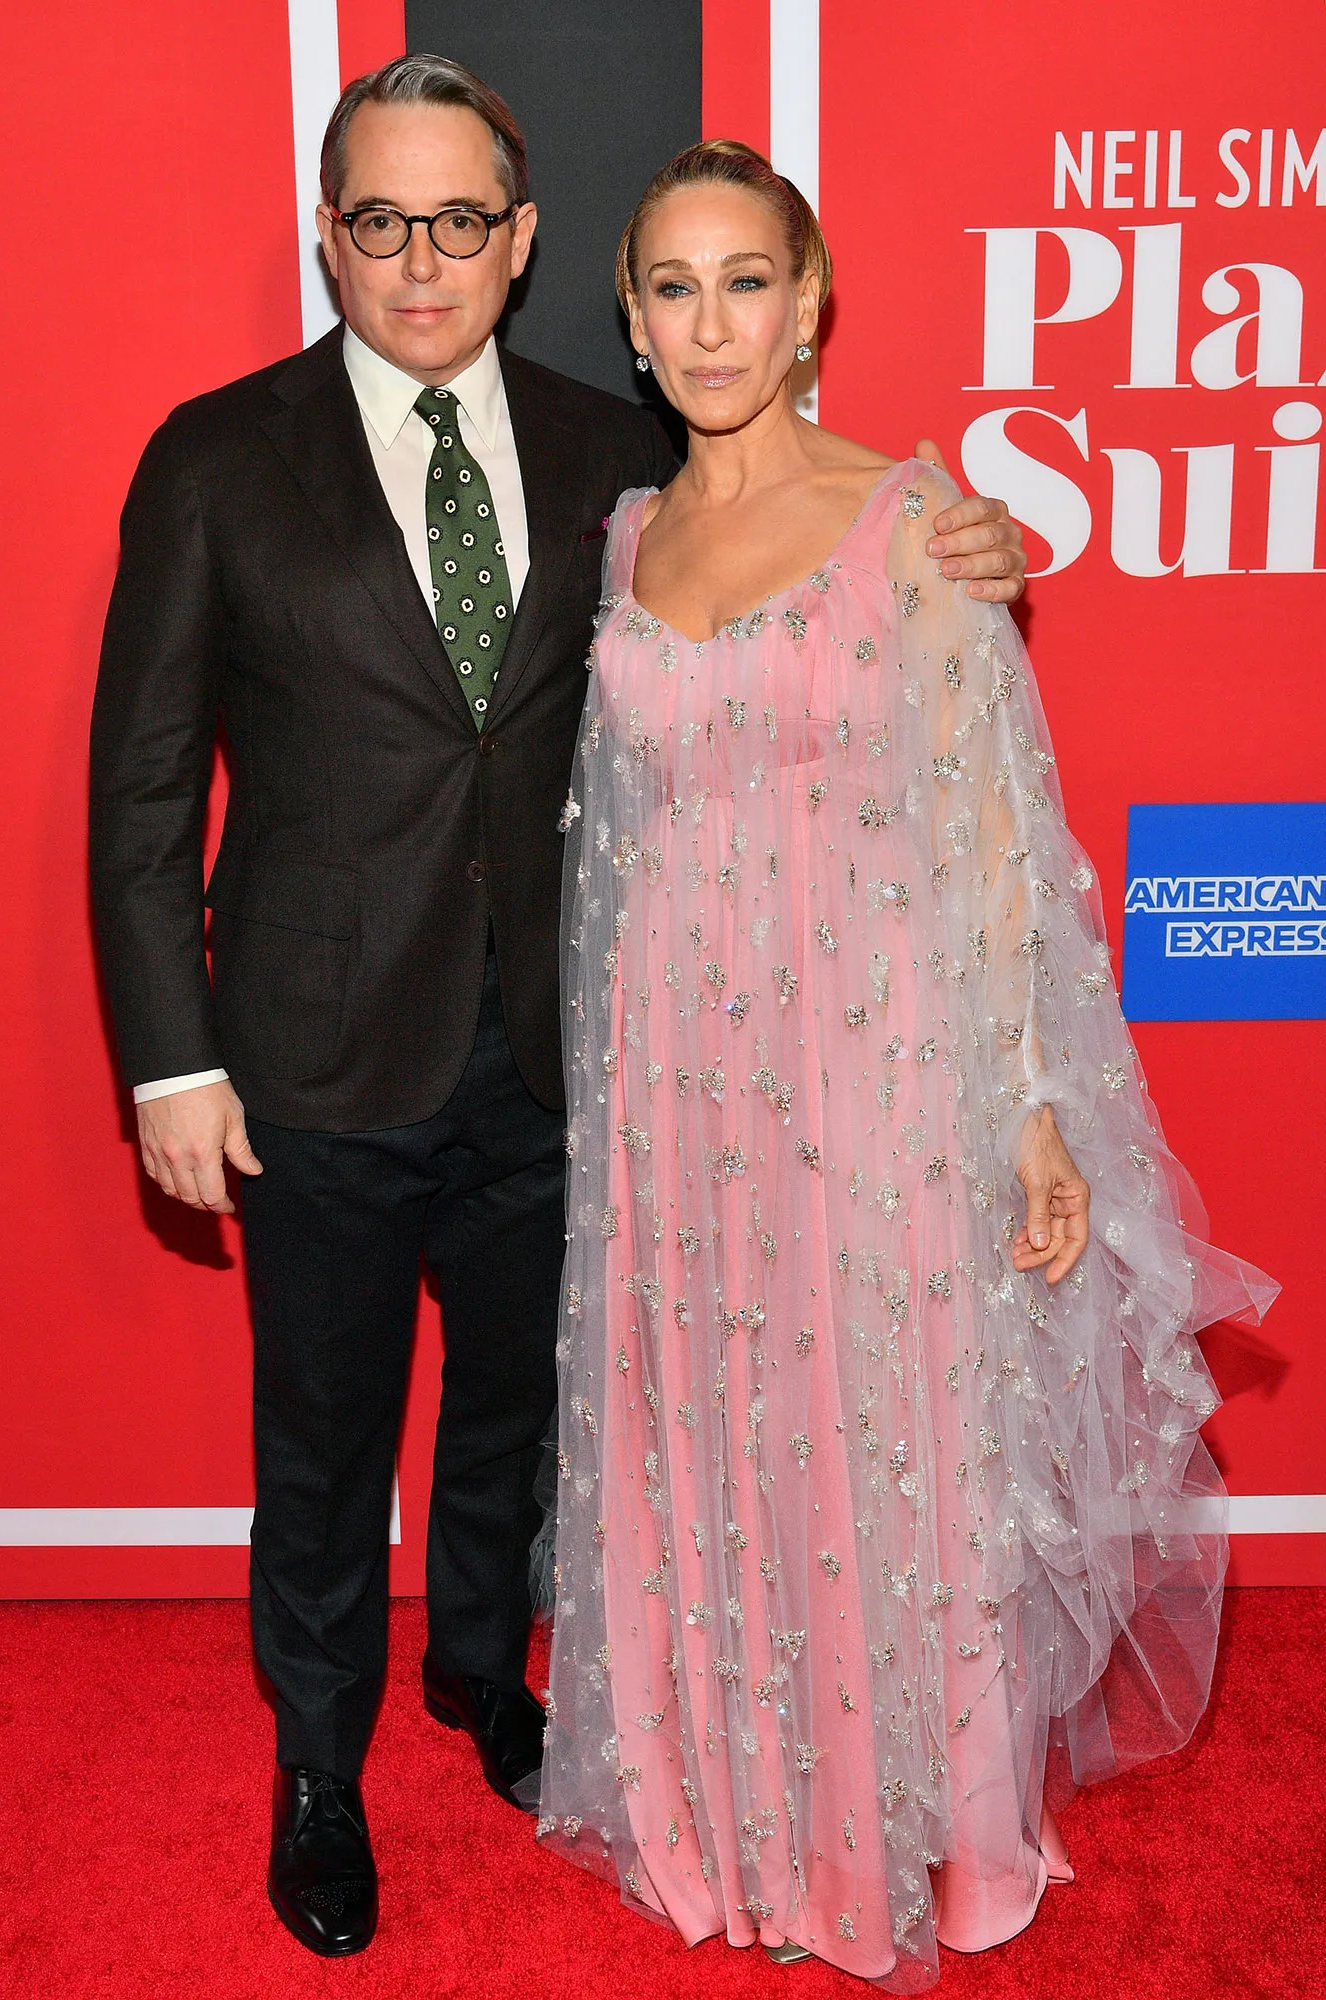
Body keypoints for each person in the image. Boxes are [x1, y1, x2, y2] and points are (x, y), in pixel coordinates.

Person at [88, 59, 1028, 1959]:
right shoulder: (215, 456)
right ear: (329, 233)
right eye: (381, 218)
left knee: (522, 1419)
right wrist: (170, 1059)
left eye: (460, 219)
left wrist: (975, 540)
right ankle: (319, 1769)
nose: (420, 258)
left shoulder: (620, 455)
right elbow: (144, 784)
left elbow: (811, 575)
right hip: (316, 1054)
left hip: (569, 1055)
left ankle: (484, 1679)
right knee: (324, 1442)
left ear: (520, 243)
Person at [538, 140, 1277, 1985]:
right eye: (675, 287)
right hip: (675, 1080)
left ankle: (890, 1823)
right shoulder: (627, 535)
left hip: (868, 1067)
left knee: (880, 1434)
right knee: (711, 1421)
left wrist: (1030, 1109)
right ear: (632, 317)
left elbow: (997, 832)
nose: (714, 322)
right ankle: (726, 1802)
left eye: (747, 281)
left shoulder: (916, 521)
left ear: (812, 304)